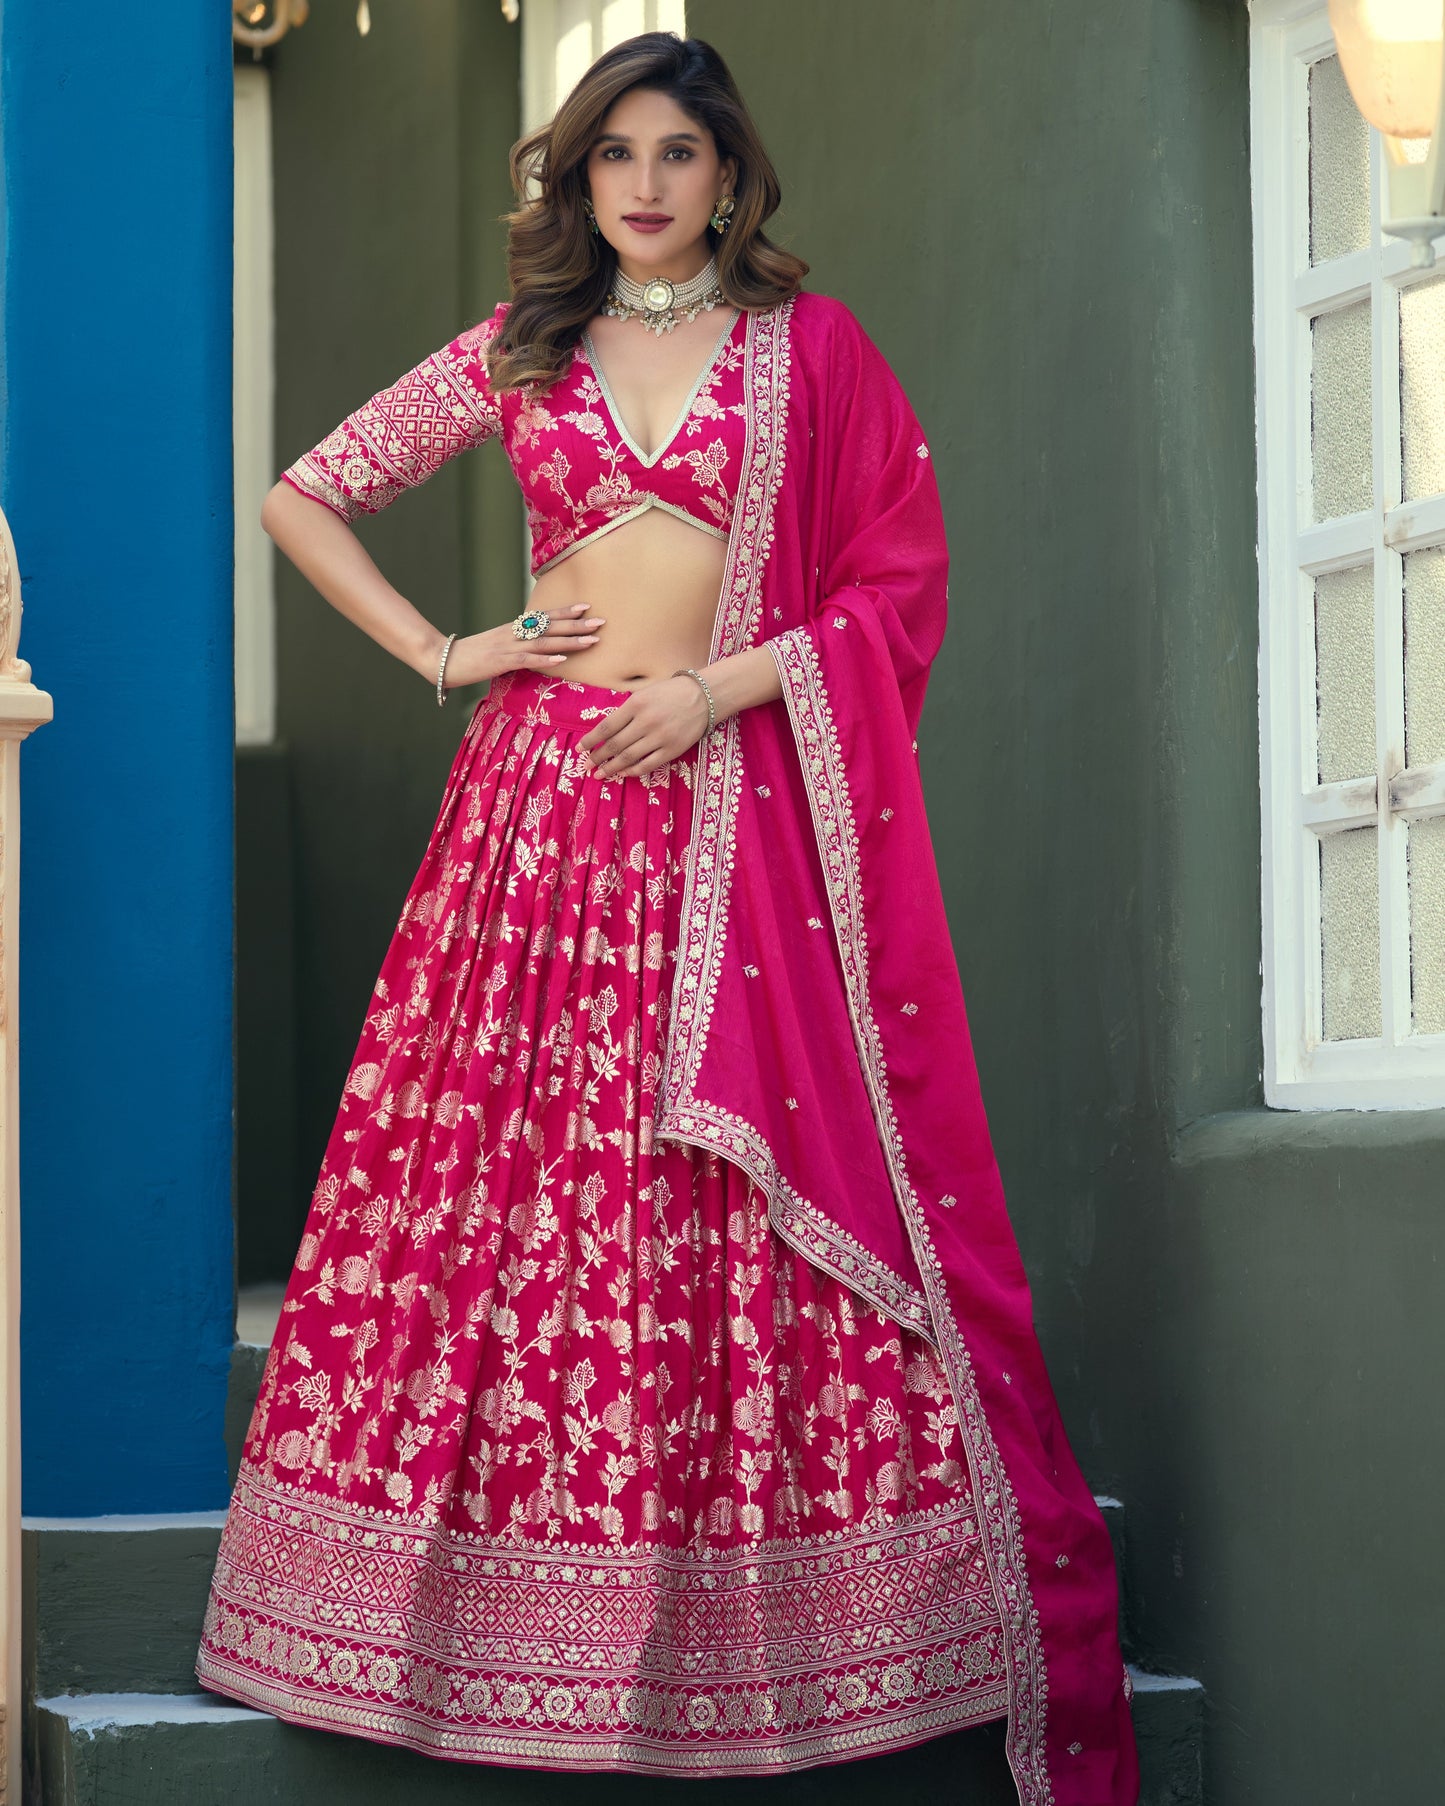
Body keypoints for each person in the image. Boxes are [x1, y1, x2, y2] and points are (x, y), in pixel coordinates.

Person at [196, 31, 1138, 1805]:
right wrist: (446, 653)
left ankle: (749, 1622)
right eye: (610, 153)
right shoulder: (521, 349)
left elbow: (893, 583)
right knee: (519, 1194)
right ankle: (464, 1621)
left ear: (729, 174)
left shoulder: (808, 351)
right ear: (576, 177)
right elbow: (304, 492)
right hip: (539, 816)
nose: (641, 183)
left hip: (729, 819)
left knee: (703, 1195)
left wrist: (715, 698)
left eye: (674, 154)